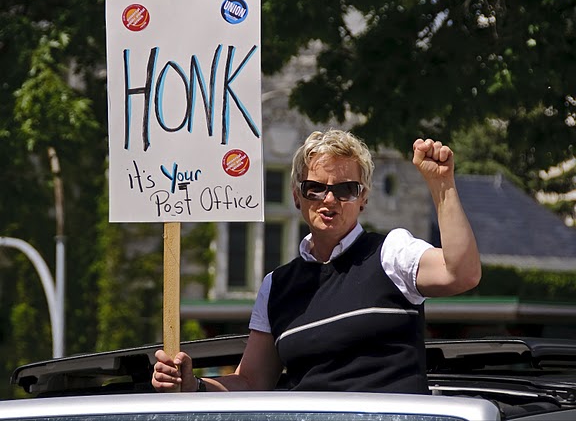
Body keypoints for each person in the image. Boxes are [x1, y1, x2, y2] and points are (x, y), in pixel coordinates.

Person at [152, 129, 481, 394]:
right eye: (315, 188)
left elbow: (461, 273)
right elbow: (252, 382)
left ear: (363, 198)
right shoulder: (276, 286)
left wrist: (442, 186)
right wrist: (192, 385)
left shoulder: (390, 252)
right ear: (297, 196)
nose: (329, 199)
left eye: (346, 189)